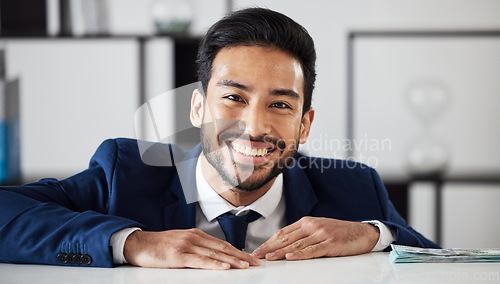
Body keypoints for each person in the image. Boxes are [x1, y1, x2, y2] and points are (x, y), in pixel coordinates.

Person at [0, 8, 438, 270]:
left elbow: (444, 262)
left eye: (281, 105)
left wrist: (375, 235)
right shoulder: (126, 172)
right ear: (196, 109)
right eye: (233, 98)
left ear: (304, 125)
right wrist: (134, 242)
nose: (253, 126)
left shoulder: (354, 186)